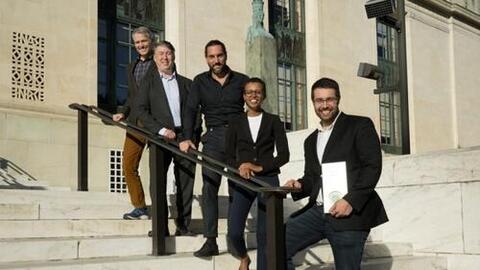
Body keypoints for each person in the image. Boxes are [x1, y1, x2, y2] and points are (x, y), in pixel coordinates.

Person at [283, 77, 388, 270]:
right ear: (313, 102)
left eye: (329, 99)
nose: (324, 105)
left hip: (349, 214)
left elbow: (372, 166)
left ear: (338, 100)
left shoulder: (359, 125)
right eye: (319, 100)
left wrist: (350, 201)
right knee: (275, 247)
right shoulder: (311, 140)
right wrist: (299, 185)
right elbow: (312, 177)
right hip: (317, 212)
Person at [179, 40, 249, 257]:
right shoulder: (199, 81)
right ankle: (211, 241)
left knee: (237, 188)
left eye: (219, 56)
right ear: (206, 58)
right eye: (211, 57)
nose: (216, 60)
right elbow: (191, 110)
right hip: (213, 137)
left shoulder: (242, 80)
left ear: (225, 55)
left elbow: (255, 106)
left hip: (238, 137)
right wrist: (188, 137)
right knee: (209, 187)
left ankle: (235, 239)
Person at [226, 78, 289, 270]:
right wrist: (241, 166)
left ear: (264, 95)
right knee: (234, 231)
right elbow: (228, 155)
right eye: (249, 92)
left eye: (258, 91)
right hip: (243, 178)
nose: (253, 95)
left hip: (268, 179)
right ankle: (244, 258)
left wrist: (260, 167)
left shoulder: (274, 121)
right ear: (244, 96)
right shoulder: (235, 121)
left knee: (265, 234)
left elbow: (284, 154)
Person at [135, 41, 198, 236]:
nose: (165, 57)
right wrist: (161, 130)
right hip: (160, 138)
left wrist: (189, 137)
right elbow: (140, 110)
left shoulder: (187, 84)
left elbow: (196, 113)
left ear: (174, 56)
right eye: (161, 54)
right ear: (155, 58)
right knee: (157, 183)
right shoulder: (149, 82)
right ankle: (160, 227)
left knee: (186, 183)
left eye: (168, 53)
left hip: (184, 138)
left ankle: (183, 226)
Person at [112, 26, 155, 220]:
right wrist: (122, 112)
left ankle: (162, 209)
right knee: (128, 165)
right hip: (136, 123)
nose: (140, 45)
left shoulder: (160, 61)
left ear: (151, 41)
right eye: (137, 42)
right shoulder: (132, 66)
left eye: (143, 41)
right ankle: (140, 207)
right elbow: (132, 96)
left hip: (155, 123)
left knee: (157, 170)